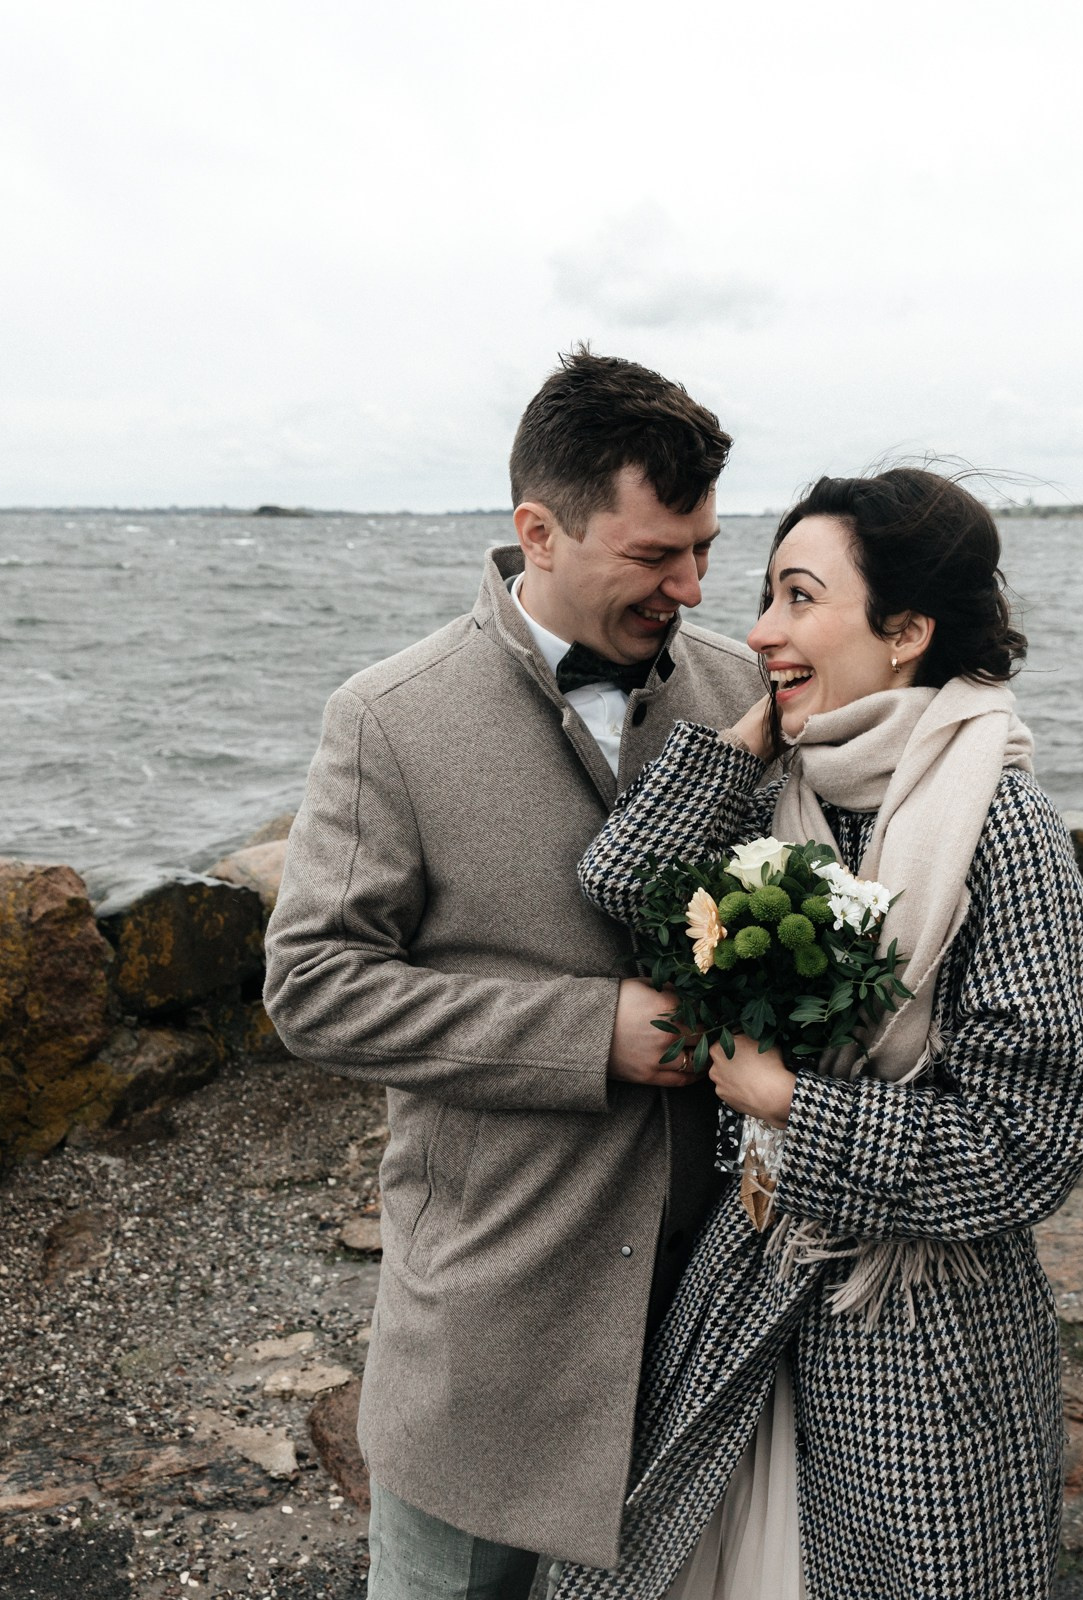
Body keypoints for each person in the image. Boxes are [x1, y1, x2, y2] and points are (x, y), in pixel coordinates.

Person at [555, 468, 1083, 1600]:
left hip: (915, 1327)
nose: (759, 628)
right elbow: (620, 879)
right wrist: (762, 724)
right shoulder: (801, 790)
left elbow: (1031, 1141)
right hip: (753, 1281)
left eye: (798, 598)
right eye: (766, 596)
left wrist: (786, 1103)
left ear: (907, 630)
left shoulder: (1003, 833)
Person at [263, 350, 763, 1600]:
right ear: (538, 530)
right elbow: (314, 984)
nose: (693, 586)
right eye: (658, 555)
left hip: (707, 1302)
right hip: (492, 1324)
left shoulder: (742, 693)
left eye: (704, 546)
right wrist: (588, 1032)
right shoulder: (389, 716)